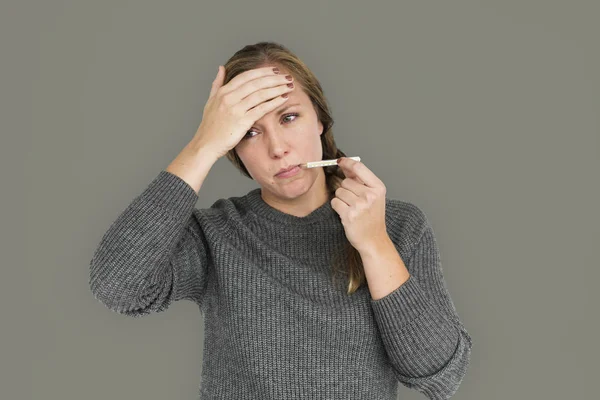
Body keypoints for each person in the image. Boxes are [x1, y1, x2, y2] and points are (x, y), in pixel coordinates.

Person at [89, 41, 473, 399]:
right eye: (250, 132)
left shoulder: (400, 225)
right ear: (234, 149)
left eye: (289, 117)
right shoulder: (216, 234)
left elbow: (438, 374)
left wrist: (374, 245)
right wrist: (202, 145)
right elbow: (117, 287)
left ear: (320, 120)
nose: (277, 148)